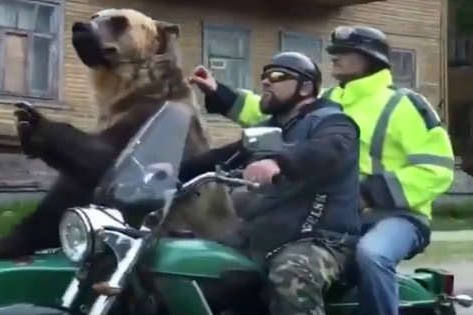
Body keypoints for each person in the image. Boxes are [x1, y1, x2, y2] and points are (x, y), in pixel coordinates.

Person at [190, 26, 454, 315]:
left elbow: (436, 169)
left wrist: (369, 194)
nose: (334, 58)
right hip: (337, 213)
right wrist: (220, 93)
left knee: (372, 255)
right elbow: (270, 111)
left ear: (371, 58)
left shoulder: (404, 104)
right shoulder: (330, 100)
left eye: (344, 53)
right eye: (333, 52)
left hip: (398, 215)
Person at [181, 52, 361, 314]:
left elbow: (329, 150)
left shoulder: (333, 122)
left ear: (306, 87)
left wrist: (279, 162)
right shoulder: (272, 129)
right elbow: (225, 156)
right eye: (264, 76)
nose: (266, 82)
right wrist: (170, 169)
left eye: (277, 76)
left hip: (321, 240)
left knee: (291, 275)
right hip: (268, 233)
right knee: (195, 260)